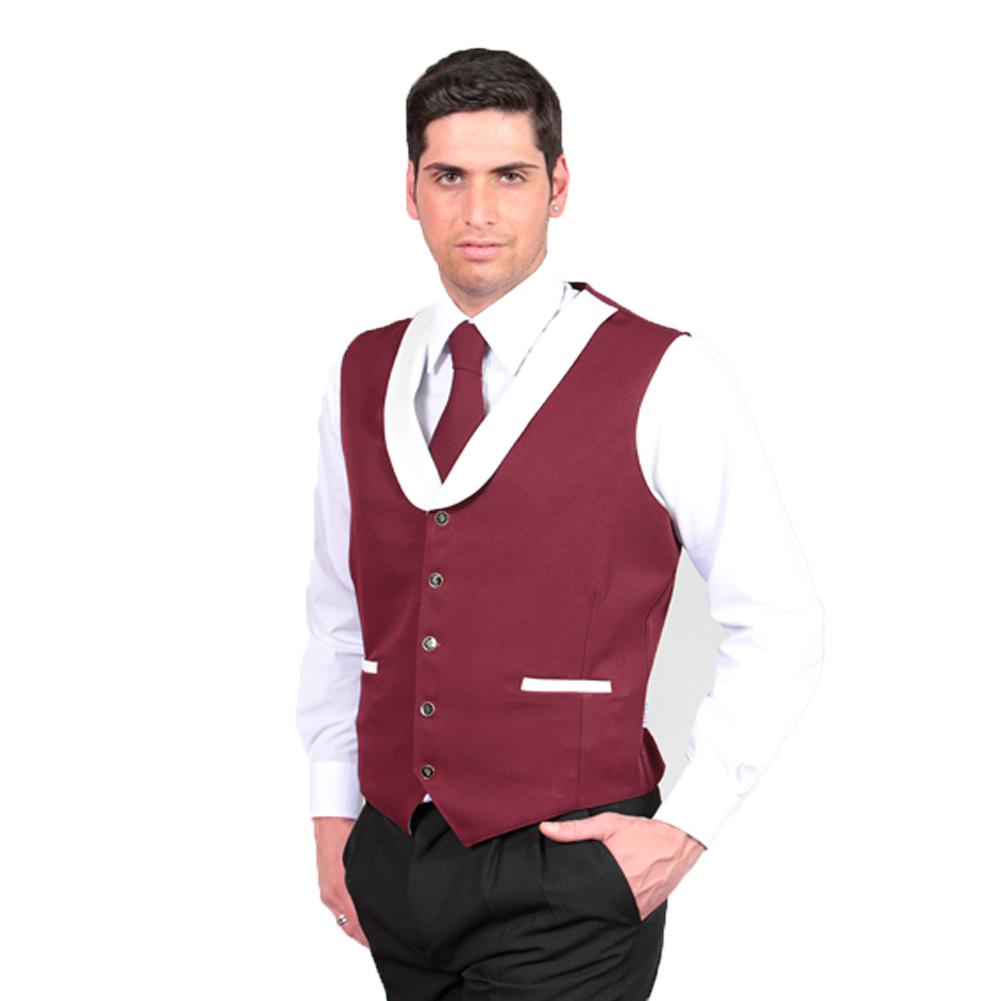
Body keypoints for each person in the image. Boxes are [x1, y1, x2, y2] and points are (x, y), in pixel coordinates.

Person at [295, 47, 824, 1000]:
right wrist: (333, 808)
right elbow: (342, 611)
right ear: (410, 190)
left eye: (510, 176)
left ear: (559, 185)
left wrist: (684, 829)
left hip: (568, 869)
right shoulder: (362, 371)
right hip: (392, 857)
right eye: (448, 177)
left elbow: (780, 619)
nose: (478, 210)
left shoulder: (666, 375)